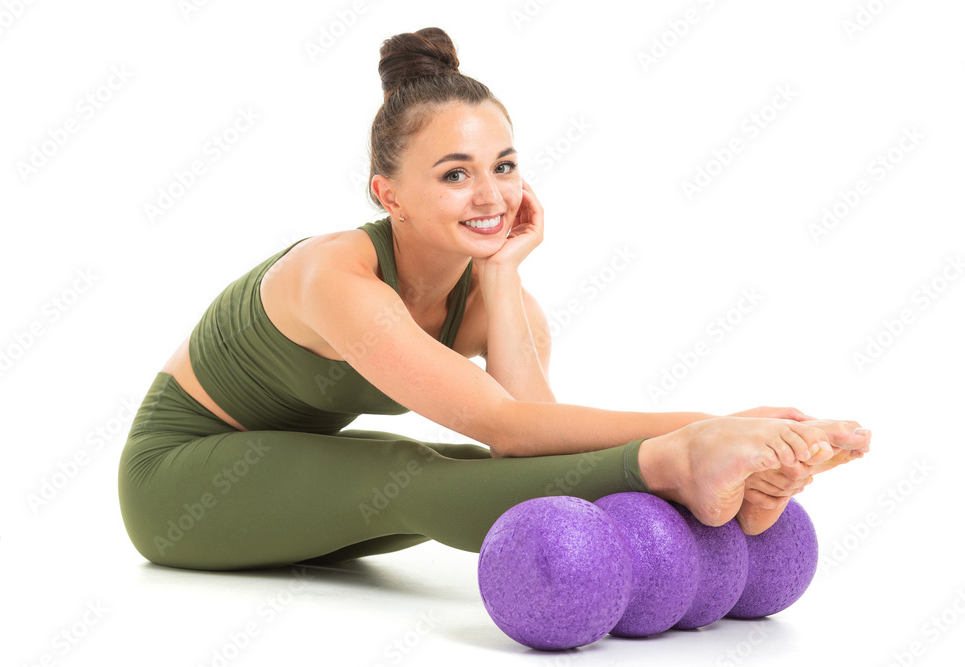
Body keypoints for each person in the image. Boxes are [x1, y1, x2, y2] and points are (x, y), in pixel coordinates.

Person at [117, 27, 870, 571]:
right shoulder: (333, 275)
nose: (490, 195)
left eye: (504, 165)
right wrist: (709, 424)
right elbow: (509, 426)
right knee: (408, 476)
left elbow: (535, 434)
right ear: (389, 194)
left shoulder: (489, 294)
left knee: (448, 469)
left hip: (286, 466)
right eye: (454, 173)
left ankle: (708, 492)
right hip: (179, 478)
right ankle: (681, 465)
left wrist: (504, 274)